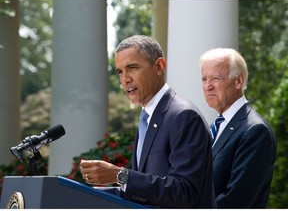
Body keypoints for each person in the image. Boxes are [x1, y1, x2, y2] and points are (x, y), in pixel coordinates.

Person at [80, 35, 216, 208]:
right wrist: (85, 195)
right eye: (120, 71)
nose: (125, 79)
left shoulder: (184, 116)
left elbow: (184, 191)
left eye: (132, 67)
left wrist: (120, 176)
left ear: (159, 66)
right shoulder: (147, 117)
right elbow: (144, 192)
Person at [200, 48, 277, 208]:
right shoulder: (213, 127)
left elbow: (235, 201)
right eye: (204, 79)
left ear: (238, 81)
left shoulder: (255, 131)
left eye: (215, 78)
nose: (208, 86)